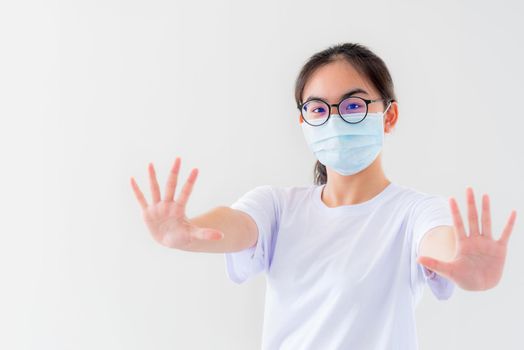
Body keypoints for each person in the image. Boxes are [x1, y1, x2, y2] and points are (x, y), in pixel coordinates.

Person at [130, 42, 517, 349]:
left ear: (389, 115)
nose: (334, 119)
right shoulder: (279, 207)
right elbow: (236, 223)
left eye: (353, 105)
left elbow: (440, 240)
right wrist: (186, 229)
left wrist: (464, 261)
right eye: (318, 108)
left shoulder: (413, 213)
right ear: (304, 121)